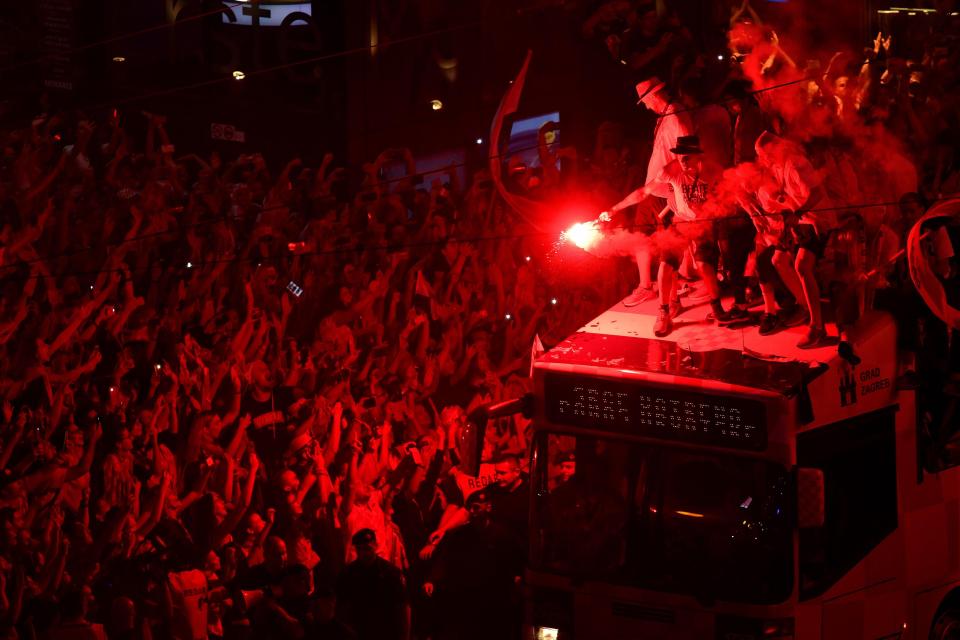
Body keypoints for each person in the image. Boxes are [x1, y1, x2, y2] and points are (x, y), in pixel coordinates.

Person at [607, 135, 745, 336]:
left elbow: (729, 195)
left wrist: (708, 211)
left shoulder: (713, 170)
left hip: (703, 223)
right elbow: (643, 193)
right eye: (679, 156)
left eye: (687, 157)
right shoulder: (670, 170)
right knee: (666, 265)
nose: (682, 161)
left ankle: (718, 311)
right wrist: (614, 209)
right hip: (680, 221)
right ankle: (663, 312)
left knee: (704, 266)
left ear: (698, 156)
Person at [424, 490, 524, 640]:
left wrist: (515, 579)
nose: (472, 511)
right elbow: (445, 557)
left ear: (488, 507)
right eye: (470, 508)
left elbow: (513, 560)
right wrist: (432, 579)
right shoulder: (460, 534)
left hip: (491, 596)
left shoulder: (502, 535)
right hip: (466, 594)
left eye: (476, 507)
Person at [336, 528, 409, 640]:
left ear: (375, 546)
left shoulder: (390, 573)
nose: (364, 553)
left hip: (385, 631)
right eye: (360, 549)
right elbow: (343, 607)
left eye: (367, 548)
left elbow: (402, 607)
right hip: (359, 631)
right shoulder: (348, 574)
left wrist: (404, 636)